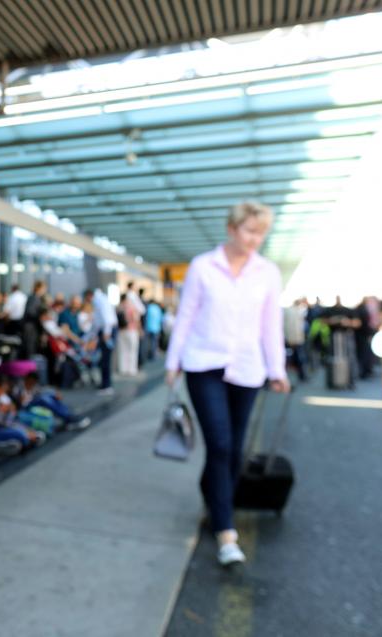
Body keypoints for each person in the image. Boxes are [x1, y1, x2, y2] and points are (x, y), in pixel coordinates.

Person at [165, 202, 290, 567]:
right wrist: (172, 363)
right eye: (250, 230)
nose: (255, 239)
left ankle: (212, 495)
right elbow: (185, 315)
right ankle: (225, 530)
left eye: (261, 232)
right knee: (219, 442)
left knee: (233, 448)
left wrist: (277, 369)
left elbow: (271, 324)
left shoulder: (267, 273)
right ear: (232, 228)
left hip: (248, 368)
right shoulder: (203, 267)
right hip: (204, 364)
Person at [85, 288, 117, 394]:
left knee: (105, 360)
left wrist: (106, 334)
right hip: (105, 331)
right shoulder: (101, 299)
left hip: (106, 331)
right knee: (104, 359)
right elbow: (98, 321)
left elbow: (106, 318)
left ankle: (106, 385)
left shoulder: (99, 300)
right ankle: (105, 383)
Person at [284, 298, 309, 382]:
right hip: (295, 339)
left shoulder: (290, 311)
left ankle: (301, 376)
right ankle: (302, 376)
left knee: (296, 358)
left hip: (292, 338)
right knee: (299, 358)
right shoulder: (297, 312)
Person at [118, 293, 142, 376]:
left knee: (123, 350)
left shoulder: (119, 308)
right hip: (131, 331)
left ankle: (123, 368)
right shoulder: (132, 308)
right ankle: (131, 369)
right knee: (132, 350)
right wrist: (139, 330)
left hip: (121, 331)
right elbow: (136, 320)